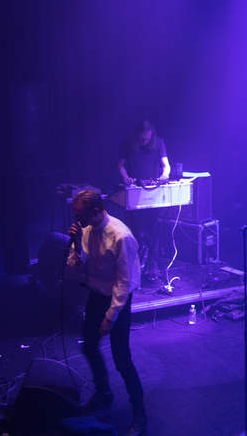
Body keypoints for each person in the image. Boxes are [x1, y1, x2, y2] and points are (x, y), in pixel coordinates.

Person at [67, 190, 146, 436]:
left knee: (122, 359)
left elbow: (126, 282)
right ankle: (104, 393)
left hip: (117, 302)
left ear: (95, 210)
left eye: (79, 214)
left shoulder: (121, 235)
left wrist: (110, 316)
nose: (76, 219)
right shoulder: (86, 230)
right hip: (96, 296)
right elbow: (74, 265)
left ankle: (140, 414)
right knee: (89, 346)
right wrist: (75, 244)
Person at [118, 120, 170, 283]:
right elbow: (120, 165)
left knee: (155, 231)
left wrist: (165, 175)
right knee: (137, 232)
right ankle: (136, 267)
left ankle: (151, 266)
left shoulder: (159, 142)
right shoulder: (128, 144)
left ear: (151, 135)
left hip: (153, 191)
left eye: (147, 139)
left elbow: (165, 165)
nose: (144, 141)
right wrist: (126, 178)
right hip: (135, 191)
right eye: (142, 139)